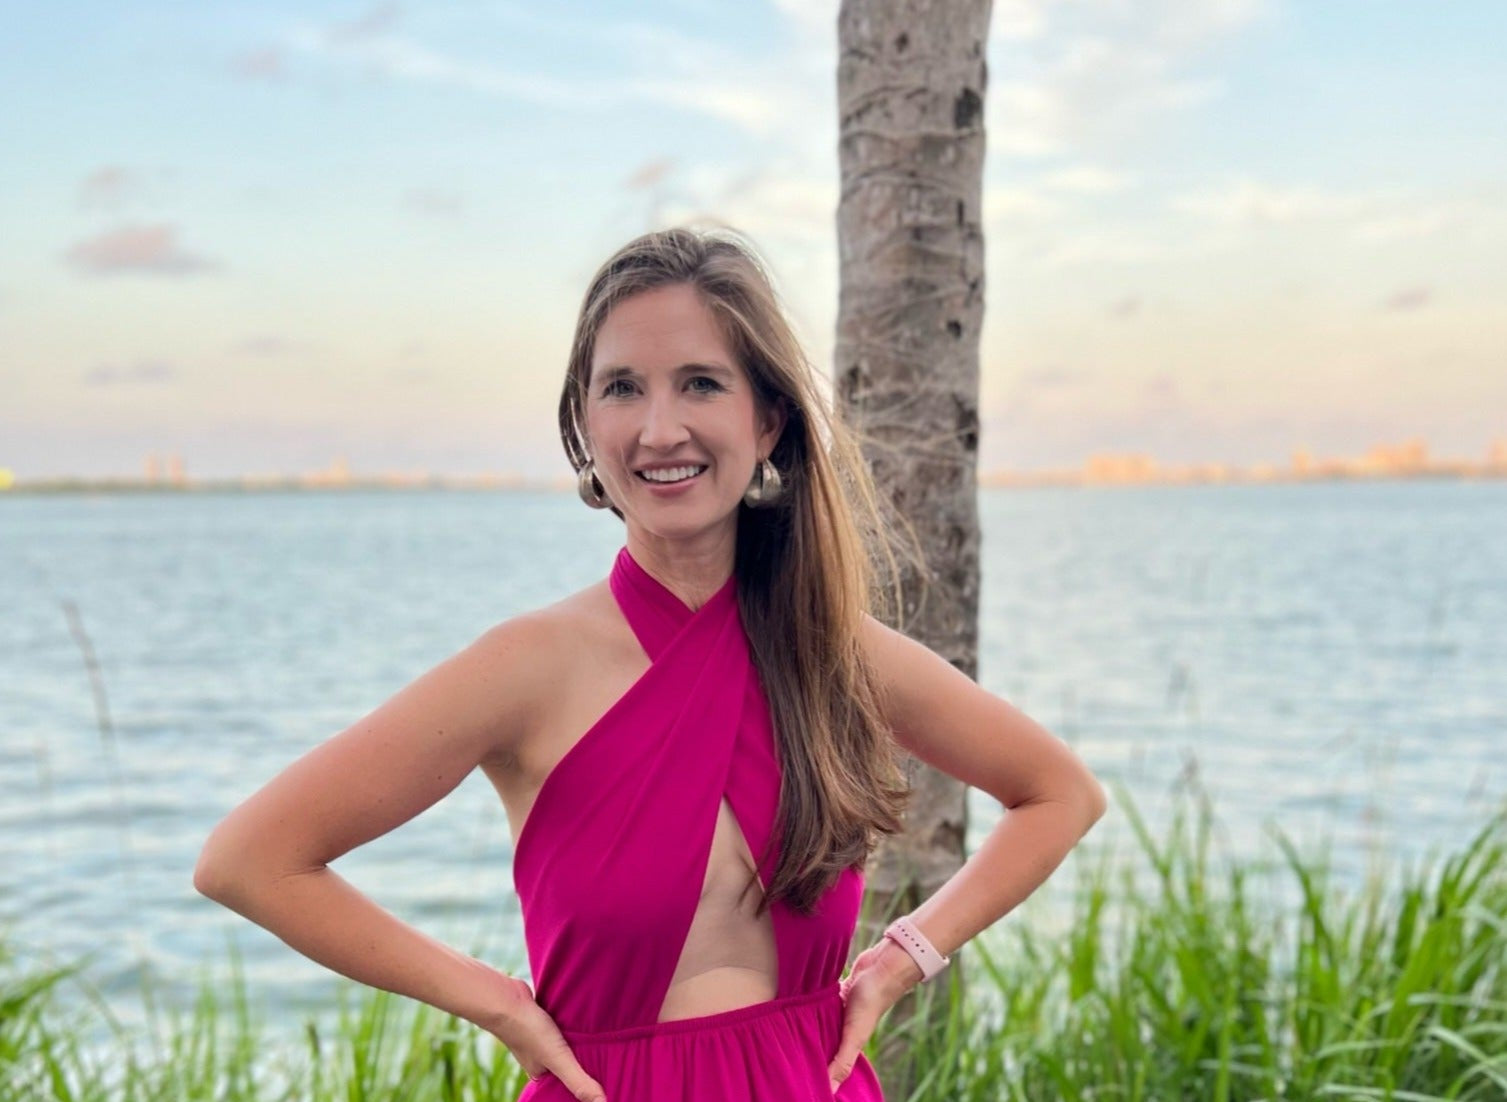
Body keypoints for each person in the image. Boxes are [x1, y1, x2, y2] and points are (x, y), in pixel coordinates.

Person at [194, 225, 1106, 1101]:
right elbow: (251, 860)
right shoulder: (525, 668)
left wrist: (906, 954)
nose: (658, 428)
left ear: (769, 420)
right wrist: (494, 1001)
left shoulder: (830, 650)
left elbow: (1060, 793)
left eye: (701, 384)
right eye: (622, 388)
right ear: (585, 422)